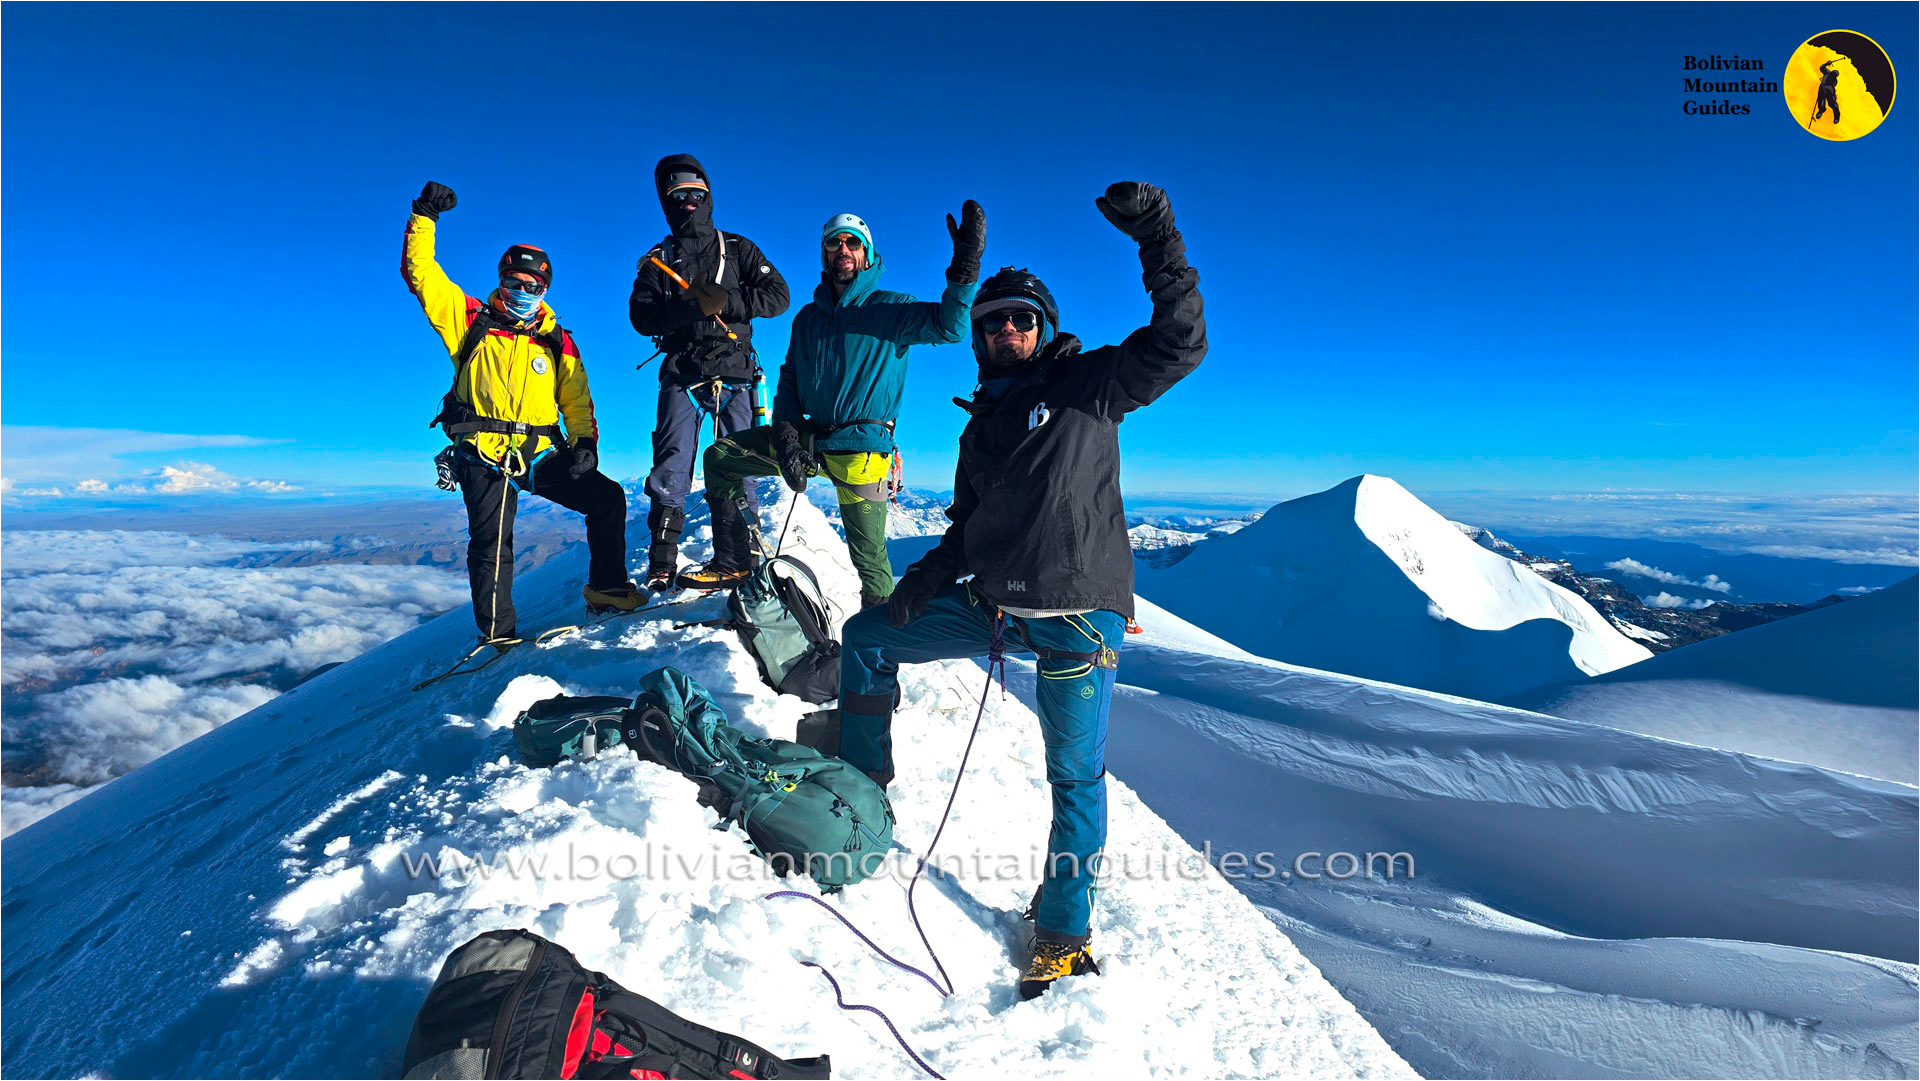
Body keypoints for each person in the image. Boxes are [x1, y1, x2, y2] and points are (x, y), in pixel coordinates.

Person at [835, 182, 1206, 998]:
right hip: (996, 603)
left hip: (1075, 620)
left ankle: (1064, 936)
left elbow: (1179, 344)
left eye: (1021, 318)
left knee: (1074, 777)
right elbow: (967, 526)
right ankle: (861, 787)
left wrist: (1158, 237)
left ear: (1044, 327)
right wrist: (925, 579)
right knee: (865, 639)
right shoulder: (982, 422)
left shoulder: (1088, 385)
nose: (1006, 329)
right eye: (992, 319)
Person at [680, 203, 986, 602]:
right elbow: (789, 378)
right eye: (834, 243)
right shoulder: (807, 318)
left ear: (868, 253)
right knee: (721, 457)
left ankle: (878, 645)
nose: (843, 249)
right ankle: (734, 560)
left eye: (853, 242)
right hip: (808, 441)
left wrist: (964, 269)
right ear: (824, 253)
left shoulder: (893, 308)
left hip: (861, 448)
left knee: (869, 559)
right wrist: (786, 433)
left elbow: (951, 327)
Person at [403, 181, 640, 648]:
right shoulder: (469, 319)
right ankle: (498, 638)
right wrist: (424, 217)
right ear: (501, 280)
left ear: (546, 288)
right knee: (493, 546)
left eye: (535, 287)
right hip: (481, 452)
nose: (524, 292)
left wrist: (585, 446)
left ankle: (608, 591)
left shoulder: (557, 340)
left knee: (607, 499)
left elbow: (576, 400)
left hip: (538, 450)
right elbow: (422, 276)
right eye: (515, 283)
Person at [629, 155, 791, 590]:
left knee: (736, 464)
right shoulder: (657, 259)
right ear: (667, 202)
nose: (687, 203)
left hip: (733, 371)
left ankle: (741, 557)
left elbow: (778, 296)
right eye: (677, 196)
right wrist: (684, 309)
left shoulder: (738, 249)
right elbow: (641, 317)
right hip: (684, 369)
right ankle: (663, 565)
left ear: (707, 197)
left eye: (694, 195)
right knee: (670, 467)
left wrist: (729, 302)